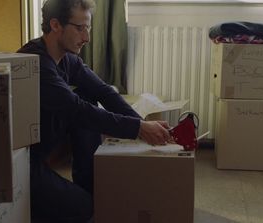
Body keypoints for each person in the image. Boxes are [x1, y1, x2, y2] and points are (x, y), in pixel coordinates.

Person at [17, 0, 171, 222]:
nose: (87, 37)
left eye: (88, 28)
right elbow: (78, 111)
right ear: (55, 25)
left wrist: (142, 124)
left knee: (88, 94)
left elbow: (105, 93)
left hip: (41, 151)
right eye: (80, 28)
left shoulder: (68, 60)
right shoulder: (36, 64)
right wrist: (138, 129)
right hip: (21, 166)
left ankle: (88, 183)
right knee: (84, 208)